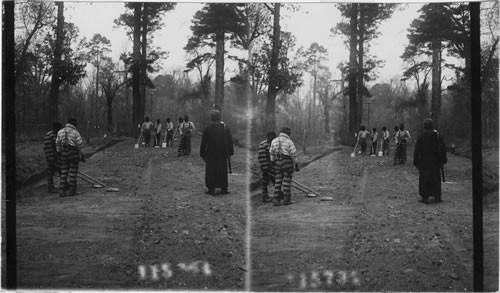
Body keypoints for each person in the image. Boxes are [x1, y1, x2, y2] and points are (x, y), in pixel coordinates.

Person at [200, 110, 234, 195]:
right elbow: (230, 141)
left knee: (211, 171)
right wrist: (230, 152)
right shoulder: (226, 128)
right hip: (222, 154)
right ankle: (224, 188)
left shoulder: (208, 129)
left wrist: (203, 154)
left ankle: (211, 189)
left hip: (211, 154)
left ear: (211, 118)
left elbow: (203, 143)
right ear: (219, 117)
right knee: (222, 171)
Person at [413, 118, 447, 203]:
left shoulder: (421, 137)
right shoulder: (437, 136)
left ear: (424, 126)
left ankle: (425, 197)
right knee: (436, 179)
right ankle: (437, 196)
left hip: (424, 161)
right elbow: (443, 148)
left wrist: (416, 162)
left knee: (424, 179)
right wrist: (443, 160)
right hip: (436, 161)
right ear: (432, 126)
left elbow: (417, 151)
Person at [270, 127, 299, 206]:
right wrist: (296, 163)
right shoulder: (289, 142)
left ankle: (276, 200)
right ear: (287, 133)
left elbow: (271, 153)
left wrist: (273, 161)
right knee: (286, 182)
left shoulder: (274, 141)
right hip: (287, 163)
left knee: (278, 182)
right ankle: (286, 200)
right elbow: (293, 154)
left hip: (277, 163)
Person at [56, 118, 84, 197]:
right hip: (73, 153)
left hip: (63, 153)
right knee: (73, 173)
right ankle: (72, 191)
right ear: (74, 124)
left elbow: (57, 143)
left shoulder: (60, 131)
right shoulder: (75, 132)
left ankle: (62, 191)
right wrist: (82, 154)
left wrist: (59, 153)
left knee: (64, 172)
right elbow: (79, 145)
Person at [258, 131, 277, 203]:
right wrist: (265, 167)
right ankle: (264, 196)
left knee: (275, 180)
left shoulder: (274, 144)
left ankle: (277, 193)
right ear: (268, 137)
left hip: (273, 166)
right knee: (265, 181)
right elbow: (261, 157)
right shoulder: (263, 144)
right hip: (266, 166)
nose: (272, 140)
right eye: (271, 138)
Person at [44, 122, 62, 193]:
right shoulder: (49, 135)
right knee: (51, 172)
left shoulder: (58, 135)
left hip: (58, 157)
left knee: (61, 171)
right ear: (54, 129)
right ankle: (50, 187)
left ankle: (63, 184)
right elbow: (48, 148)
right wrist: (51, 159)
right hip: (51, 157)